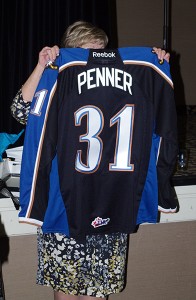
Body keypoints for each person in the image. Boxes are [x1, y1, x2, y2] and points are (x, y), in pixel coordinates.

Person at [11, 21, 172, 300]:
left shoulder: (130, 77)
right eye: (88, 53)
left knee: (99, 293)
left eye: (102, 51)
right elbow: (21, 111)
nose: (96, 60)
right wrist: (43, 67)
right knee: (66, 292)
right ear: (72, 51)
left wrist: (157, 67)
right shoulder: (58, 74)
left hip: (111, 198)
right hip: (65, 202)